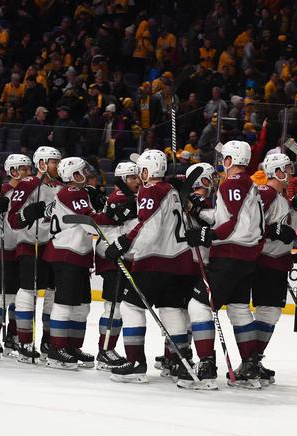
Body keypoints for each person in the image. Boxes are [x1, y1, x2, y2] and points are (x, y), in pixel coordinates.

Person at [104, 149, 198, 384]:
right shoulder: (172, 191)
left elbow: (148, 225)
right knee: (171, 309)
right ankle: (182, 362)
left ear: (147, 171)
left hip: (154, 261)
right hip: (178, 260)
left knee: (130, 307)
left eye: (141, 170)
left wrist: (124, 243)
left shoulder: (150, 189)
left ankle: (135, 363)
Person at [184, 141, 264, 389]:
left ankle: (206, 365)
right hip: (247, 257)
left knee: (198, 306)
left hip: (229, 256)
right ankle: (250, 366)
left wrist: (206, 235)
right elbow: (229, 218)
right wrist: (200, 210)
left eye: (224, 157)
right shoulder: (249, 184)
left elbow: (227, 227)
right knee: (239, 309)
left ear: (230, 159)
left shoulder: (232, 183)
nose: (221, 161)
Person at [42, 157, 116, 369]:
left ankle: (72, 346)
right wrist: (112, 215)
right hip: (66, 253)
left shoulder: (77, 193)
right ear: (74, 175)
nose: (87, 174)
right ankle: (57, 349)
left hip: (76, 253)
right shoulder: (73, 193)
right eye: (83, 171)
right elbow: (91, 223)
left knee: (82, 305)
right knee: (64, 303)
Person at [7, 146, 62, 362]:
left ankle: (47, 341)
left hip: (52, 246)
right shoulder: (28, 184)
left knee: (51, 294)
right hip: (30, 244)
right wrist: (28, 215)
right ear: (41, 163)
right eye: (53, 162)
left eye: (58, 162)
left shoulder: (59, 187)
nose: (57, 166)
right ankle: (24, 341)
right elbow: (13, 220)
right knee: (28, 291)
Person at [251, 153, 297, 385]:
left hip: (276, 262)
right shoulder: (266, 192)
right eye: (287, 169)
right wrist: (273, 231)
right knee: (266, 311)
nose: (291, 173)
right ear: (278, 172)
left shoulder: (281, 197)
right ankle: (250, 360)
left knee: (269, 313)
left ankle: (254, 359)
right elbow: (249, 221)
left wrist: (295, 212)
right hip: (264, 262)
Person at [93, 161, 141, 371]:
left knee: (118, 306)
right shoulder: (119, 198)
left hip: (118, 255)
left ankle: (107, 348)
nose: (137, 181)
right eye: (132, 178)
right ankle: (104, 351)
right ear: (122, 180)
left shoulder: (129, 198)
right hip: (112, 257)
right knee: (113, 306)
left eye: (137, 177)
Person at [177, 162, 219, 390]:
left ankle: (179, 357)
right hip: (190, 259)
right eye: (210, 178)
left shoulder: (195, 201)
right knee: (183, 311)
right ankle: (180, 357)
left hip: (191, 259)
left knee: (185, 311)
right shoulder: (193, 199)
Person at [0, 155, 28, 359]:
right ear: (12, 170)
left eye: (29, 168)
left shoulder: (31, 192)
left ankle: (12, 336)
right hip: (3, 249)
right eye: (23, 168)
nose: (28, 172)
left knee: (21, 298)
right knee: (2, 298)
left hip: (24, 250)